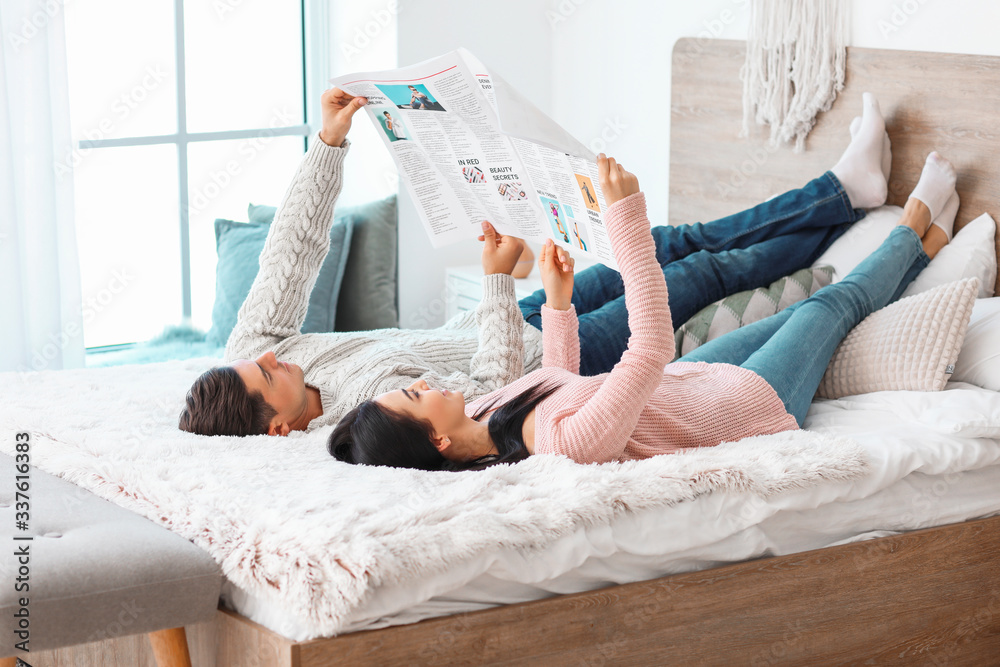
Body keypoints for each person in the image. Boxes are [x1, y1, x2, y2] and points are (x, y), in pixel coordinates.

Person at [177, 88, 943, 438]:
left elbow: (290, 252)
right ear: (279, 427)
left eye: (262, 359)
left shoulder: (258, 354)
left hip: (515, 311)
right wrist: (502, 290)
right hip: (544, 351)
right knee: (700, 279)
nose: (274, 356)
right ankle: (842, 206)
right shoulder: (372, 422)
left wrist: (329, 146)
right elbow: (491, 389)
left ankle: (841, 193)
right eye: (269, 377)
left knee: (669, 240)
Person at [329, 143, 957, 470]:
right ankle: (914, 228)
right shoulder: (561, 446)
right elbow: (650, 347)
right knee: (828, 308)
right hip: (748, 407)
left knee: (794, 308)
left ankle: (918, 245)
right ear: (437, 438)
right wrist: (626, 221)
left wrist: (558, 302)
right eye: (413, 397)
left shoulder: (490, 414)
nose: (420, 382)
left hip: (698, 383)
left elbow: (562, 379)